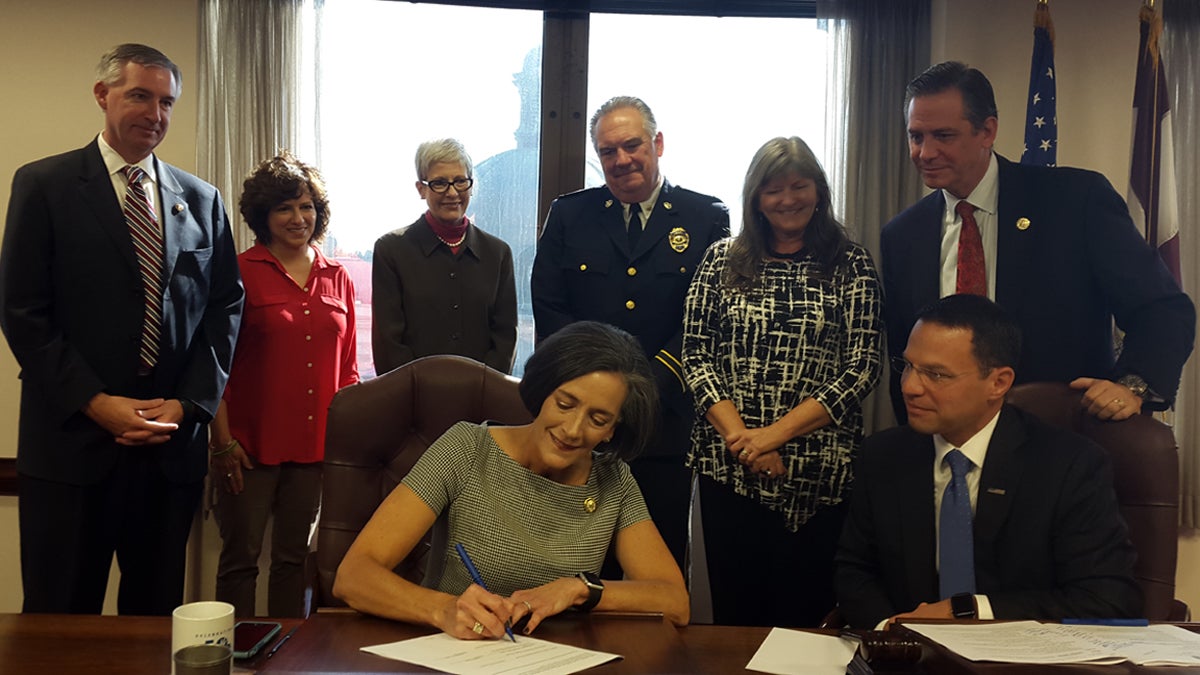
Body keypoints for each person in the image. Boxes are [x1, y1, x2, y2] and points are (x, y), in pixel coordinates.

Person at [0, 44, 244, 615]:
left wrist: (190, 406)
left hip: (167, 452)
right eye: (140, 95)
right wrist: (93, 401)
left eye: (167, 102)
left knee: (156, 622)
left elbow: (225, 307)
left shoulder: (201, 200)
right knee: (60, 619)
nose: (155, 114)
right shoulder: (44, 185)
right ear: (102, 95)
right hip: (70, 450)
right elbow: (22, 309)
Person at [882, 61, 1193, 424]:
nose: (925, 152)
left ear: (988, 131)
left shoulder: (1076, 201)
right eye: (916, 136)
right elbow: (904, 358)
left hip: (1058, 443)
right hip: (946, 445)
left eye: (943, 136)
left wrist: (1132, 384)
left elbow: (1164, 310)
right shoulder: (902, 235)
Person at [333, 321, 688, 636]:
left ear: (612, 430)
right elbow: (354, 577)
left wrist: (580, 589)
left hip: (562, 658)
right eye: (565, 404)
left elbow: (675, 602)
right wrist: (443, 610)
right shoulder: (466, 449)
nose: (572, 430)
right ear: (543, 392)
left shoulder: (614, 480)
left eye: (598, 420)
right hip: (461, 650)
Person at [834, 294, 1142, 630]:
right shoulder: (882, 456)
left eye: (936, 375)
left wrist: (971, 610)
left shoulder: (1069, 465)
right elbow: (854, 572)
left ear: (998, 383)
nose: (909, 387)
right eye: (907, 366)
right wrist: (889, 631)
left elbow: (1107, 599)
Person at [682, 137, 883, 627]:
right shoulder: (721, 260)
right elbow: (696, 355)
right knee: (738, 613)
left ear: (819, 190)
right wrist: (746, 442)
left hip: (821, 473)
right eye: (774, 189)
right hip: (729, 468)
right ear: (755, 197)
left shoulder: (850, 264)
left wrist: (774, 436)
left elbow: (862, 365)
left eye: (799, 185)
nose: (788, 199)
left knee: (809, 617)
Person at [531, 96, 729, 571]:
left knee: (656, 564)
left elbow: (706, 320)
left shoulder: (705, 217)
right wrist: (591, 390)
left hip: (664, 423)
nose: (620, 161)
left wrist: (644, 389)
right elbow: (550, 308)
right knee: (575, 559)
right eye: (607, 152)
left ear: (657, 143)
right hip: (581, 429)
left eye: (631, 145)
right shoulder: (570, 215)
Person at [209, 152, 359, 618]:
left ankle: (286, 657)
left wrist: (344, 449)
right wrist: (222, 444)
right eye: (285, 208)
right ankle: (232, 657)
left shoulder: (339, 276)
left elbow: (350, 371)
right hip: (248, 448)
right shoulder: (237, 271)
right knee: (240, 560)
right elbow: (214, 365)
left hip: (314, 452)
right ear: (263, 216)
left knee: (294, 560)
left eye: (307, 206)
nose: (299, 218)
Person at [372, 138, 517, 375]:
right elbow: (389, 343)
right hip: (412, 401)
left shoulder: (498, 254)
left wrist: (483, 391)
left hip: (482, 401)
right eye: (439, 183)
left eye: (460, 181)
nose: (452, 193)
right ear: (421, 189)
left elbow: (504, 338)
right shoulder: (391, 250)